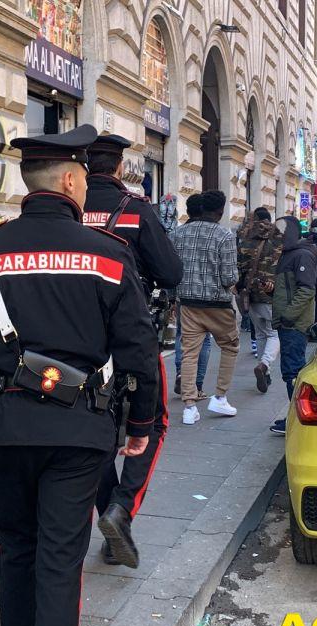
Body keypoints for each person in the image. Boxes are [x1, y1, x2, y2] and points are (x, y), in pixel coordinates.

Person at [0, 124, 159, 626]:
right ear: (73, 179)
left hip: (5, 426)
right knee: (59, 561)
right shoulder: (107, 254)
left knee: (16, 552)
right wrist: (142, 424)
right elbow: (138, 346)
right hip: (81, 433)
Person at [83, 134, 183, 569]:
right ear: (121, 166)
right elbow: (171, 271)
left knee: (98, 428)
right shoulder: (136, 210)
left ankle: (110, 521)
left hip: (78, 340)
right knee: (153, 422)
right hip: (130, 333)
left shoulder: (72, 207)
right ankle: (121, 510)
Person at [171, 190, 240, 425]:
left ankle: (189, 407)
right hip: (218, 304)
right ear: (220, 211)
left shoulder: (178, 234)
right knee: (230, 347)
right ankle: (220, 396)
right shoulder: (224, 236)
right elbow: (229, 276)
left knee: (189, 352)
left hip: (188, 303)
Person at [269, 215, 316, 435]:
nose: (276, 236)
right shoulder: (288, 254)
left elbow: (306, 290)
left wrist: (288, 316)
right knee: (291, 371)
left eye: (279, 232)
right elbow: (288, 289)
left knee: (294, 371)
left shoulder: (301, 255)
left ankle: (298, 420)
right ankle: (295, 417)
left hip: (294, 324)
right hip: (287, 322)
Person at [236, 207, 283, 394]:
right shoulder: (278, 237)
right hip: (271, 292)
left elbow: (239, 265)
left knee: (261, 334)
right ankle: (264, 365)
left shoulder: (245, 236)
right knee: (274, 334)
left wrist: (239, 287)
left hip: (250, 293)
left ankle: (266, 372)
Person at [173, 194, 212, 397]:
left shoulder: (176, 234)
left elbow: (169, 266)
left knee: (183, 337)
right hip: (208, 298)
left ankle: (181, 374)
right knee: (204, 340)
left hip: (183, 295)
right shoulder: (217, 234)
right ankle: (196, 385)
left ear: (187, 212)